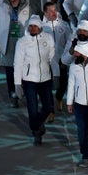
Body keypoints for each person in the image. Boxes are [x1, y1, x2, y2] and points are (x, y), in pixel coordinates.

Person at [13, 15, 55, 146]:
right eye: (30, 26)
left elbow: (52, 58)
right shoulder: (22, 42)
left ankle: (37, 124)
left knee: (48, 107)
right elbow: (18, 63)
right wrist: (17, 84)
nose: (32, 28)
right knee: (32, 109)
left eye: (35, 26)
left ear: (40, 27)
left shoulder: (48, 39)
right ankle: (36, 132)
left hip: (45, 79)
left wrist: (57, 75)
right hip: (29, 79)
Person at [0, 0, 31, 107]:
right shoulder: (1, 9)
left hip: (22, 46)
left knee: (23, 72)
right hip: (7, 45)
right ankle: (13, 95)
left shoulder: (28, 9)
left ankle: (21, 91)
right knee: (10, 73)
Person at [41, 1, 71, 113]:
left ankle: (58, 97)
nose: (54, 13)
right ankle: (51, 110)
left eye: (55, 10)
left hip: (61, 60)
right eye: (51, 11)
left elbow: (69, 41)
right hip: (47, 61)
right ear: (45, 13)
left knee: (63, 83)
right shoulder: (41, 27)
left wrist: (66, 57)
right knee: (47, 85)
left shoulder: (64, 25)